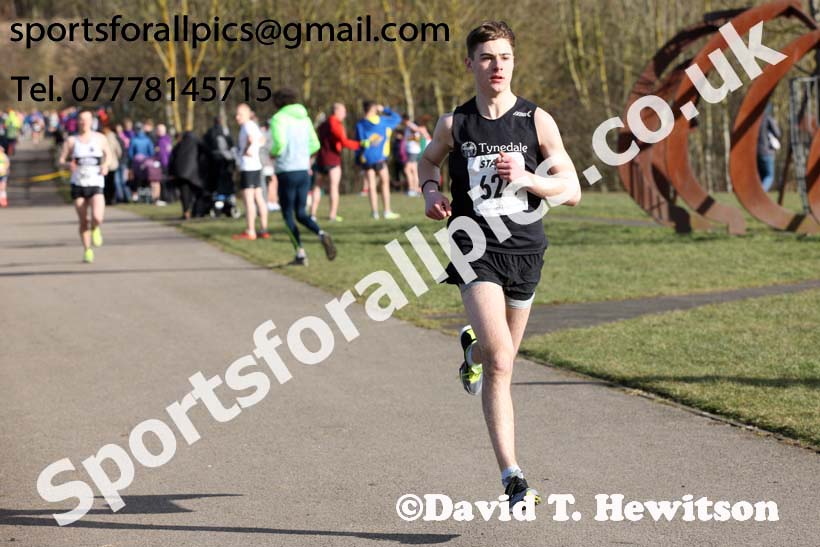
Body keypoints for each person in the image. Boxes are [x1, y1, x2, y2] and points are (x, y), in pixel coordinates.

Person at [418, 21, 581, 509]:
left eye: (505, 57)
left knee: (498, 357)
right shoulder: (455, 124)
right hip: (475, 249)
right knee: (504, 361)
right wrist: (430, 190)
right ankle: (512, 475)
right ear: (469, 64)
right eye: (487, 57)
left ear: (514, 62)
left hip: (527, 251)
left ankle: (471, 353)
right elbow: (428, 162)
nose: (497, 66)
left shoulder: (536, 121)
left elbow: (571, 190)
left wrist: (532, 178)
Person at [269, 88, 336, 265]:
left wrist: (272, 153)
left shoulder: (278, 118)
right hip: (303, 171)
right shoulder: (305, 119)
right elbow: (315, 144)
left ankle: (300, 254)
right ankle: (321, 233)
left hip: (286, 170)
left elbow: (280, 143)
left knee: (288, 215)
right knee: (301, 213)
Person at [58, 110, 112, 263]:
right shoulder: (71, 141)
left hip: (96, 183)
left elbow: (109, 155)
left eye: (87, 120)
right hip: (78, 184)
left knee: (97, 216)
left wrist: (106, 165)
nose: (84, 122)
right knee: (83, 221)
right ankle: (87, 250)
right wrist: (68, 164)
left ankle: (96, 228)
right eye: (81, 120)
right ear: (78, 122)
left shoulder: (100, 138)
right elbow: (60, 160)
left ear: (91, 121)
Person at [312, 103, 365, 222]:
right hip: (332, 159)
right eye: (343, 112)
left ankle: (312, 214)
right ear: (336, 111)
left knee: (317, 186)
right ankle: (332, 215)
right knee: (333, 187)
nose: (345, 115)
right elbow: (343, 141)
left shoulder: (322, 125)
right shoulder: (335, 124)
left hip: (321, 158)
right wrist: (359, 144)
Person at [356, 101, 402, 219]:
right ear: (373, 109)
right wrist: (385, 109)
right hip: (379, 158)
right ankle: (387, 211)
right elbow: (397, 118)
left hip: (366, 157)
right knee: (384, 182)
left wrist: (358, 158)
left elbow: (358, 142)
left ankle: (375, 213)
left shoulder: (360, 124)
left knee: (371, 185)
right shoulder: (382, 121)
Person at [232, 104, 270, 240]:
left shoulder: (247, 126)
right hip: (256, 166)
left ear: (248, 114)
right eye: (236, 114)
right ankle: (264, 229)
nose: (237, 117)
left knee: (249, 200)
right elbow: (262, 139)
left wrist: (249, 150)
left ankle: (251, 231)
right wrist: (253, 148)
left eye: (240, 114)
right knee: (259, 198)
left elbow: (255, 140)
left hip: (248, 167)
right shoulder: (253, 125)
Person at [169, 131, 208, 220]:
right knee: (198, 192)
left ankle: (186, 212)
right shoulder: (197, 142)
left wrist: (171, 173)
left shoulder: (179, 144)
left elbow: (171, 158)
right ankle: (197, 212)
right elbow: (205, 153)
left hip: (180, 173)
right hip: (193, 173)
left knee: (184, 193)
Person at [757, 102, 781, 192]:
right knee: (769, 176)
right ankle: (760, 194)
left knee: (760, 176)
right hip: (766, 151)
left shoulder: (755, 120)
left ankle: (758, 196)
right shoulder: (767, 118)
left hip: (756, 153)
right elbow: (777, 133)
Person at [101, 123, 123, 205]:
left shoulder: (108, 138)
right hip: (108, 164)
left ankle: (110, 199)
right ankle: (109, 199)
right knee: (109, 183)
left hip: (109, 164)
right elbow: (119, 152)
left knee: (109, 183)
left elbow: (118, 151)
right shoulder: (109, 138)